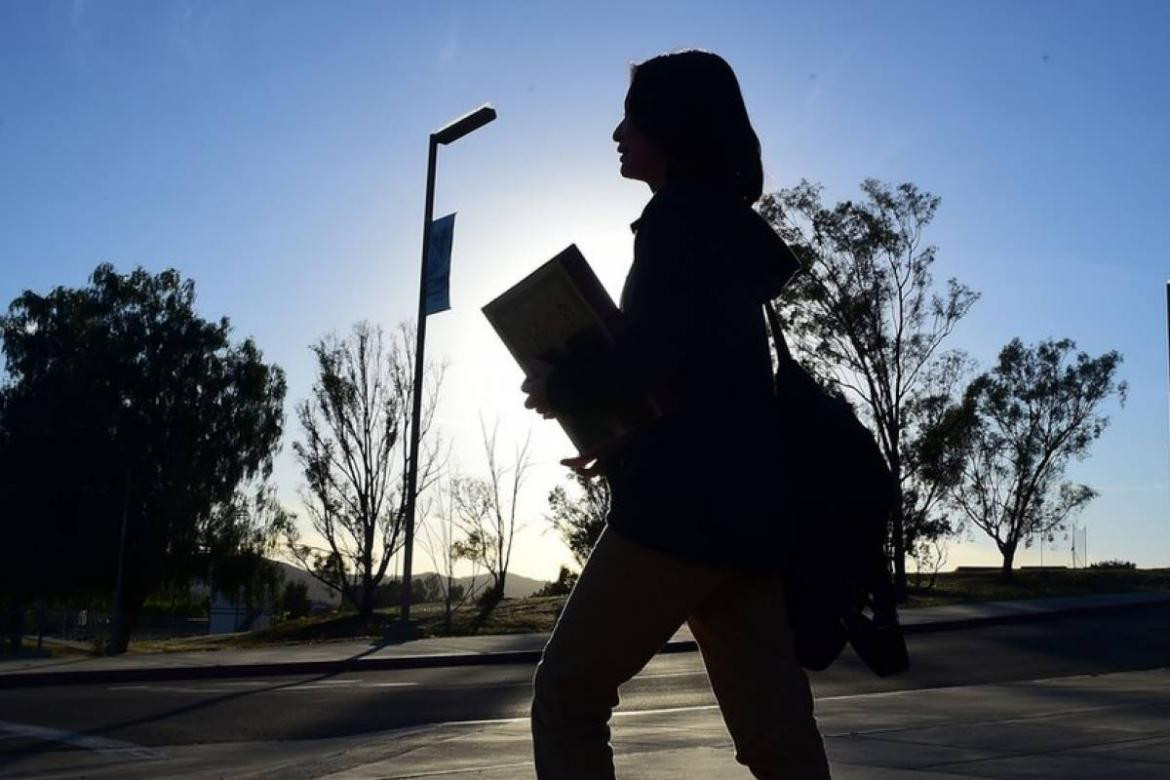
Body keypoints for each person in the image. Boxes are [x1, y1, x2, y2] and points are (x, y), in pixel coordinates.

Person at [520, 50, 832, 779]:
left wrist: (567, 385)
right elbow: (701, 378)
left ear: (672, 124)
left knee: (567, 696)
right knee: (777, 738)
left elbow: (649, 364)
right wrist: (613, 431)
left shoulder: (676, 224)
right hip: (748, 518)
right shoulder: (723, 226)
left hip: (676, 516)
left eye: (632, 116)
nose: (617, 132)